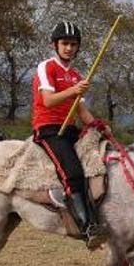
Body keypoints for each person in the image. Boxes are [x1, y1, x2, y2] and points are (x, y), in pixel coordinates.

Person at [32, 21, 110, 249]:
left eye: (73, 44)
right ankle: (87, 228)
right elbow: (48, 100)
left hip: (71, 129)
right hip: (48, 128)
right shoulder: (46, 67)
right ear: (55, 44)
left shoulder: (76, 75)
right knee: (73, 172)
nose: (68, 48)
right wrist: (73, 91)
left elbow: (81, 111)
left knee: (102, 161)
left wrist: (99, 125)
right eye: (64, 43)